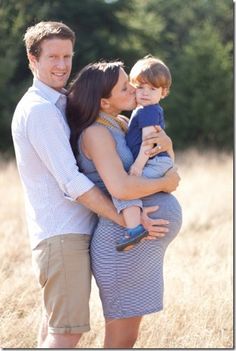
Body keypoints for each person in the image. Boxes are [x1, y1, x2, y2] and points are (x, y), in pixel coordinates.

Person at [11, 22, 180, 349]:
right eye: (52, 57)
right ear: (32, 59)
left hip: (79, 231)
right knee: (67, 332)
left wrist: (167, 150)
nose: (62, 65)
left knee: (56, 328)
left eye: (67, 56)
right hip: (63, 233)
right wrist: (129, 219)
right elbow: (72, 182)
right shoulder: (40, 111)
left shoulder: (64, 104)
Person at [66, 61, 182, 348]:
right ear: (104, 101)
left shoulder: (121, 123)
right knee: (120, 339)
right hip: (122, 244)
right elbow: (120, 187)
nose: (134, 88)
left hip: (138, 247)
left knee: (129, 337)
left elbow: (158, 158)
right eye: (124, 87)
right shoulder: (95, 132)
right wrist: (165, 184)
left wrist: (167, 145)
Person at [115, 55, 176, 251]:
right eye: (140, 87)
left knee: (124, 189)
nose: (145, 93)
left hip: (152, 162)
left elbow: (149, 142)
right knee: (129, 188)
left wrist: (138, 165)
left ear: (164, 92)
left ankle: (134, 230)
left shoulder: (148, 110)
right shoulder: (145, 109)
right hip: (157, 162)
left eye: (152, 89)